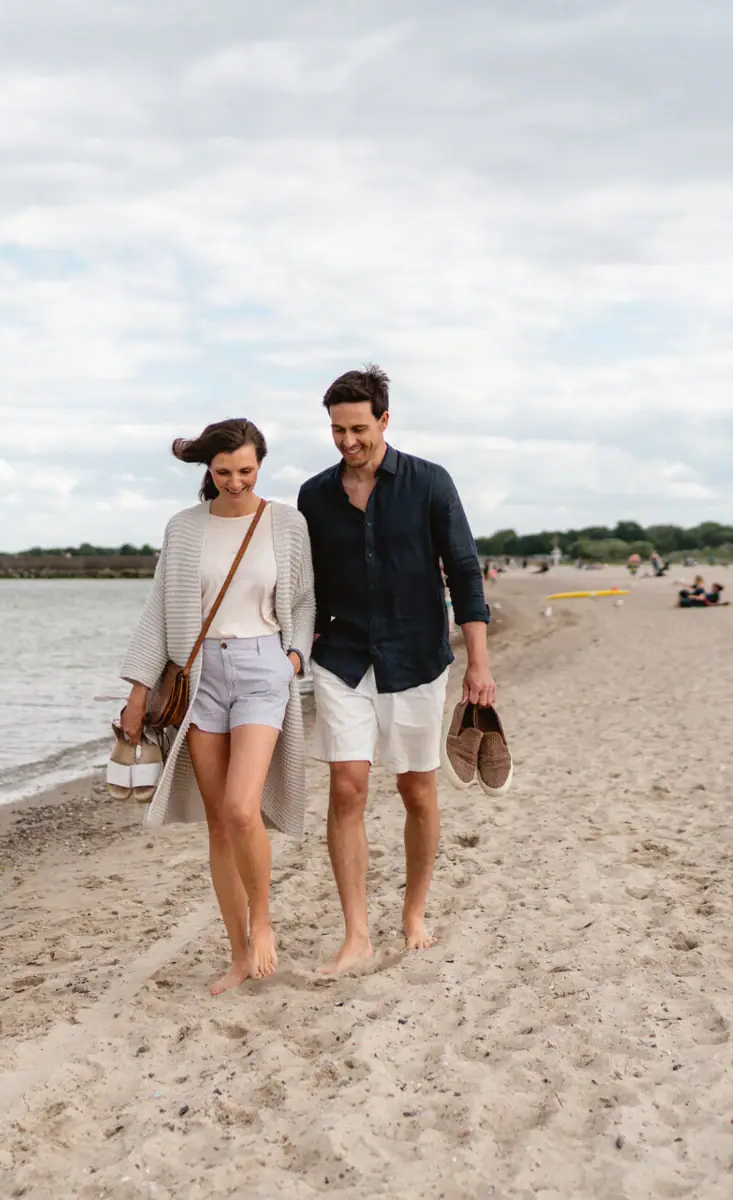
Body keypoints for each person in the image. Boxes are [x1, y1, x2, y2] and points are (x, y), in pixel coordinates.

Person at [297, 365, 494, 969]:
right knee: (347, 787)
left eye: (358, 428)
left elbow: (463, 570)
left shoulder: (430, 483)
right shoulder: (314, 495)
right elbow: (304, 586)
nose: (348, 441)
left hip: (416, 658)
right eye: (337, 430)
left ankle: (413, 912)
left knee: (416, 789)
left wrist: (479, 663)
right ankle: (356, 934)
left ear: (384, 418)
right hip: (344, 658)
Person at [119, 419, 315, 995]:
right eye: (224, 471)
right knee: (219, 827)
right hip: (199, 674)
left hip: (263, 670)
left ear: (262, 465)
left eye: (246, 470)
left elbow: (303, 602)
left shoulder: (286, 523)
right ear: (208, 469)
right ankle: (236, 953)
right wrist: (136, 693)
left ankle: (264, 924)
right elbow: (159, 612)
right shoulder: (183, 529)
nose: (235, 481)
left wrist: (294, 662)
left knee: (240, 808)